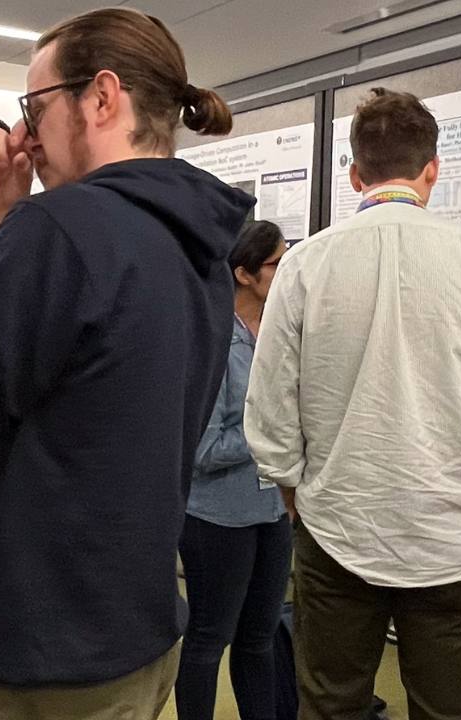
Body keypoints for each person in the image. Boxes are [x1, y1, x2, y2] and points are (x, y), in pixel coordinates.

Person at [0, 9, 246, 717]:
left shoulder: (58, 231)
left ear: (101, 97)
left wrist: (3, 228)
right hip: (130, 619)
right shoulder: (199, 242)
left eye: (33, 107)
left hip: (27, 640)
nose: (20, 136)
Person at [243, 88, 461, 720]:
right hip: (457, 534)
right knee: (451, 711)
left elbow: (269, 407)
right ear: (433, 169)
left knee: (330, 705)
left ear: (353, 174)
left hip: (335, 527)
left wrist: (296, 493)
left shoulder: (303, 265)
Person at [175, 220, 291, 720]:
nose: (288, 273)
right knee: (208, 638)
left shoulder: (281, 336)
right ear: (244, 273)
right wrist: (272, 431)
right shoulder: (213, 342)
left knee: (260, 639)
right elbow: (201, 450)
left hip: (272, 510)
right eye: (277, 264)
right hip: (216, 517)